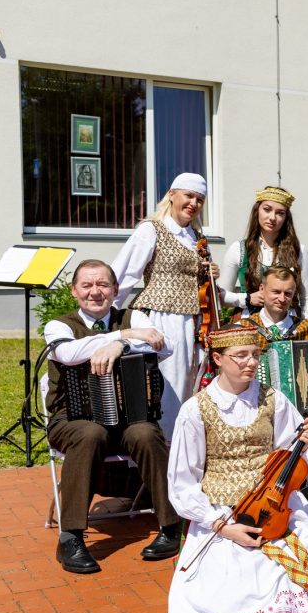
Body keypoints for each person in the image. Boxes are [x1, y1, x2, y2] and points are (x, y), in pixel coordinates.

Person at [164, 326, 308, 613]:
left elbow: (286, 451)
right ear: (217, 359)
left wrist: (303, 442)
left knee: (301, 547)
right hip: (223, 512)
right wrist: (222, 527)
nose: (250, 363)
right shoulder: (195, 411)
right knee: (226, 583)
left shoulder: (273, 399)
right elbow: (183, 483)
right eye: (240, 356)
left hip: (273, 502)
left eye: (254, 355)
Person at [44, 260, 181, 574]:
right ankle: (71, 538)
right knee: (91, 434)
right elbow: (66, 353)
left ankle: (171, 527)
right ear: (75, 291)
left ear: (115, 290)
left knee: (146, 434)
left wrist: (120, 341)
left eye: (103, 285)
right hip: (72, 420)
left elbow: (166, 345)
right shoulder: (58, 325)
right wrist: (128, 336)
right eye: (88, 285)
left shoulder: (133, 317)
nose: (96, 292)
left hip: (129, 418)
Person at [112, 172, 211, 437]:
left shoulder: (197, 236)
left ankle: (183, 448)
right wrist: (107, 315)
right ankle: (162, 448)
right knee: (167, 389)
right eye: (188, 196)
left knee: (190, 386)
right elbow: (124, 274)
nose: (193, 203)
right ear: (172, 195)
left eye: (199, 199)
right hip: (161, 317)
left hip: (193, 322)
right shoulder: (151, 229)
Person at [219, 186, 308, 320]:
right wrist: (247, 298)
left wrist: (307, 328)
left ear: (286, 218)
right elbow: (220, 296)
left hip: (288, 326)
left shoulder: (298, 250)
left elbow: (307, 298)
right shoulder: (238, 250)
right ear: (257, 211)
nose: (272, 217)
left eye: (280, 213)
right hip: (249, 325)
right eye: (267, 209)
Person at [238, 265, 308, 348]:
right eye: (276, 292)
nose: (282, 299)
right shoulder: (242, 328)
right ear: (262, 289)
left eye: (288, 293)